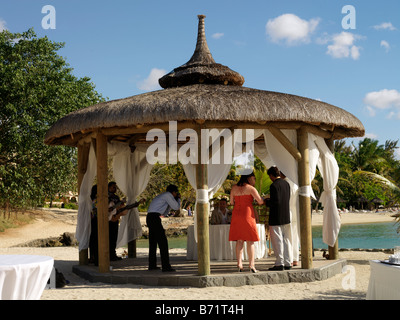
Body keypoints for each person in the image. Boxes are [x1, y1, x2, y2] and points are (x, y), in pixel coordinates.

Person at [229, 171, 264, 273]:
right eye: (253, 178)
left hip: (236, 214)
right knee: (250, 240)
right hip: (247, 214)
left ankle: (239, 264)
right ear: (249, 178)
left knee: (239, 240)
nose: (254, 181)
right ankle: (251, 265)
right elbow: (260, 201)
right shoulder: (251, 189)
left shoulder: (234, 188)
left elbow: (231, 202)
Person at [146, 184, 181, 272]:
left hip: (151, 217)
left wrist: (172, 203)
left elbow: (164, 213)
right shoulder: (168, 195)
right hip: (154, 218)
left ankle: (152, 265)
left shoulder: (164, 196)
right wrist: (178, 199)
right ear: (173, 192)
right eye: (176, 193)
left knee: (153, 243)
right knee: (163, 243)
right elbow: (176, 207)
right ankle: (166, 266)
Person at [265, 166, 293, 270]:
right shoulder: (286, 184)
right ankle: (287, 262)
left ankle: (279, 263)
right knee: (286, 240)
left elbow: (275, 202)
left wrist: (266, 201)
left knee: (277, 240)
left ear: (272, 175)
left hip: (276, 216)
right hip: (286, 215)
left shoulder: (274, 186)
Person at [108, 182, 128, 261]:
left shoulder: (116, 197)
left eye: (115, 187)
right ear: (109, 187)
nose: (115, 189)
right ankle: (108, 254)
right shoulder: (106, 196)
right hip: (108, 219)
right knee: (109, 238)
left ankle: (113, 254)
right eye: (113, 187)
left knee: (114, 238)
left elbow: (119, 208)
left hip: (115, 218)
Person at [89, 184, 98, 265]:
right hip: (96, 221)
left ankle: (93, 257)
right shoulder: (96, 200)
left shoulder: (91, 199)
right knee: (96, 240)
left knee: (93, 239)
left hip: (93, 221)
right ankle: (95, 258)